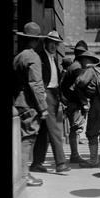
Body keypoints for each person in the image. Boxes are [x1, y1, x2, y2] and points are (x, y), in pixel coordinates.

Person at [13, 22, 48, 187]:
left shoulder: (18, 56)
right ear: (37, 40)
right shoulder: (33, 57)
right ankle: (24, 175)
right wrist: (43, 107)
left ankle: (21, 173)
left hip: (19, 101)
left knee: (21, 138)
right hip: (29, 103)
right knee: (28, 138)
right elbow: (36, 83)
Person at [31, 30, 71, 173]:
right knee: (55, 129)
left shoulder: (54, 59)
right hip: (45, 94)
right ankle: (60, 163)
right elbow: (37, 80)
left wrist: (61, 98)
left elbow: (56, 80)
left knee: (44, 132)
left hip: (54, 95)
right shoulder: (39, 58)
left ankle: (36, 163)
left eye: (56, 44)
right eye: (51, 43)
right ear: (46, 43)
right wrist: (42, 99)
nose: (54, 46)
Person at [60, 45, 93, 167]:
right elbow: (77, 87)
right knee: (75, 129)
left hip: (71, 102)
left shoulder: (73, 66)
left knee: (75, 129)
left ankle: (74, 154)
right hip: (75, 103)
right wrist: (84, 101)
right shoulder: (77, 68)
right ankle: (74, 155)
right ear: (83, 56)